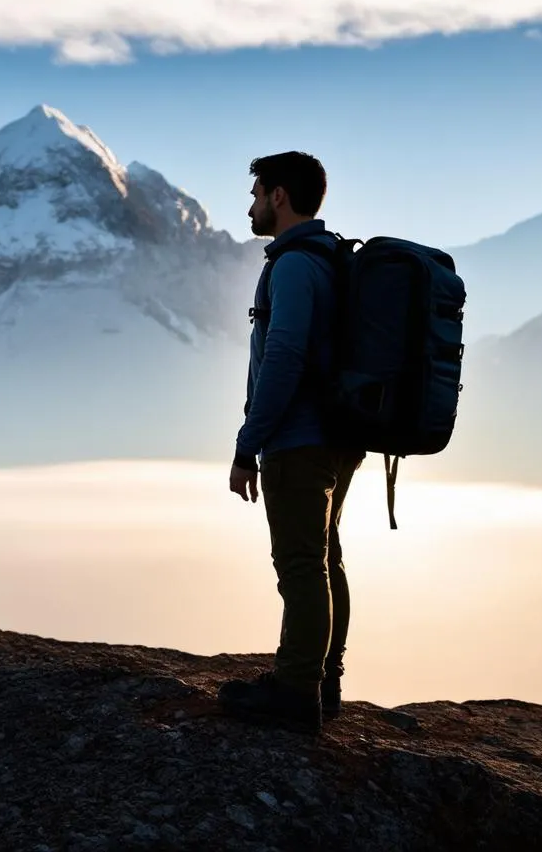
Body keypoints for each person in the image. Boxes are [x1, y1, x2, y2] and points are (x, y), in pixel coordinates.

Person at [219, 151, 362, 735]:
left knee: (301, 565)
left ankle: (297, 692)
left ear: (279, 196)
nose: (250, 204)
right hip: (337, 435)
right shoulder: (328, 261)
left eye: (256, 193)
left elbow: (283, 356)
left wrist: (247, 442)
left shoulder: (294, 266)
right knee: (325, 558)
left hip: (298, 441)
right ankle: (322, 681)